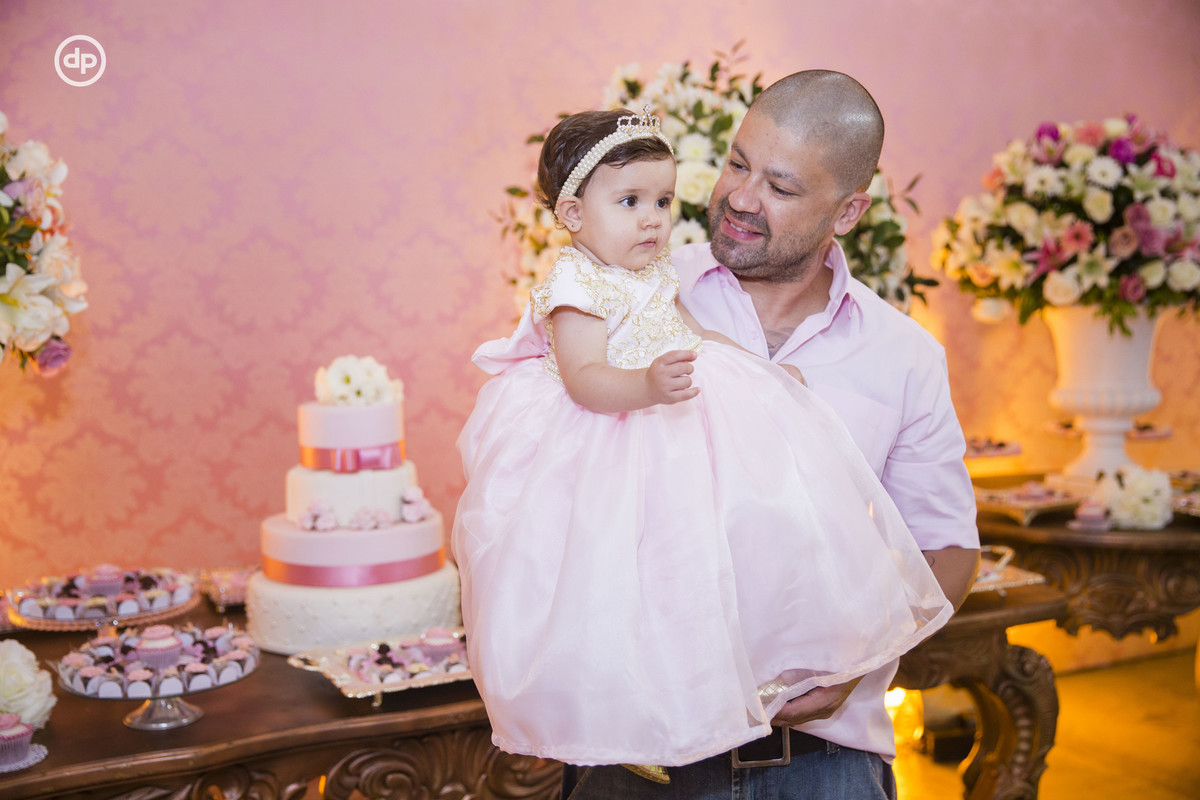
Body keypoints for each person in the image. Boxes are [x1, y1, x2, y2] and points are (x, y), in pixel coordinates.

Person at [453, 106, 953, 783]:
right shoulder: (609, 277)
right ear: (575, 213)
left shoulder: (905, 354)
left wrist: (855, 668)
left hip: (820, 759)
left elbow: (945, 547)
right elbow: (578, 396)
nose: (741, 198)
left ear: (848, 211)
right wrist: (644, 386)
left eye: (780, 186)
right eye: (736, 165)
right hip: (633, 733)